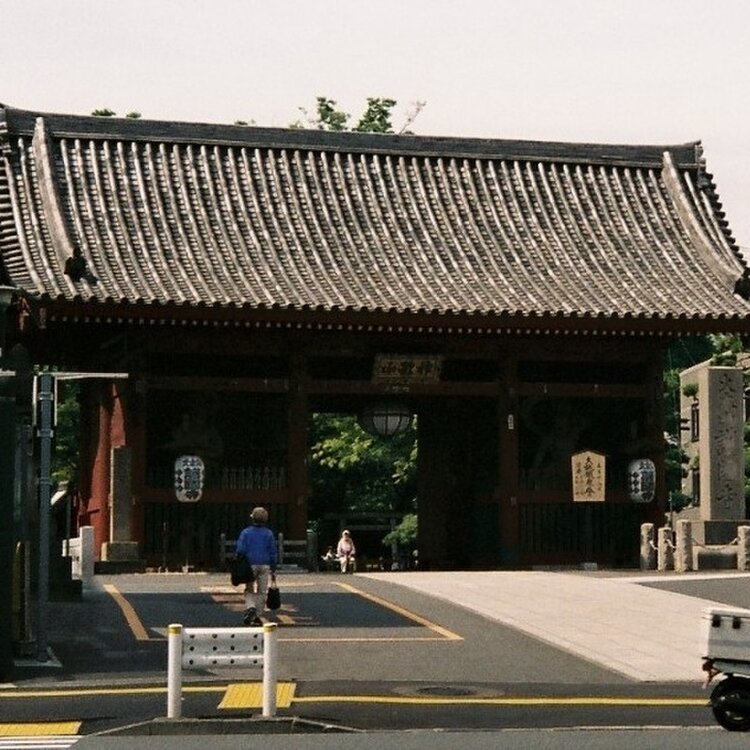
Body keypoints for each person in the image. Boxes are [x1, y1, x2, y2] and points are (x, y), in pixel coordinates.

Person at [235, 506, 277, 626]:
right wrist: (273, 568)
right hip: (265, 564)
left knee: (249, 588)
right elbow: (273, 552)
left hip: (250, 564)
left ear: (253, 518)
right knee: (262, 591)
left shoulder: (246, 532)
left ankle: (251, 607)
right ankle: (257, 614)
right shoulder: (269, 534)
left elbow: (240, 550)